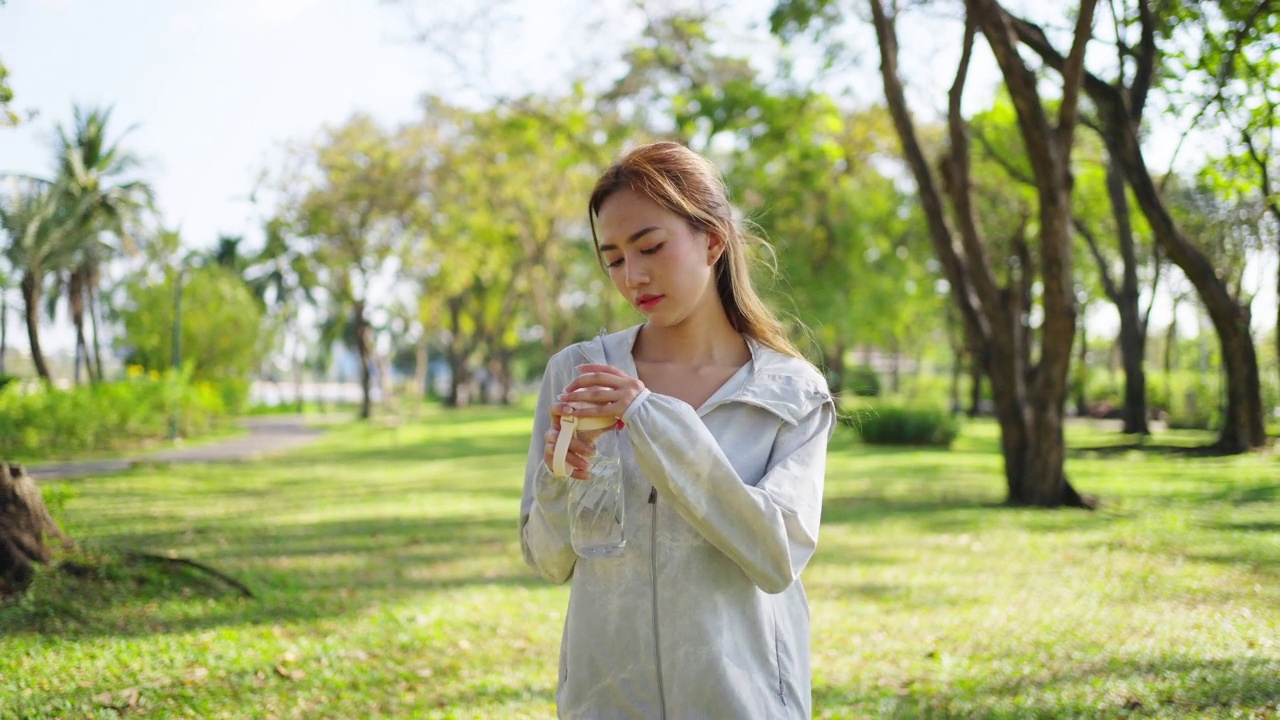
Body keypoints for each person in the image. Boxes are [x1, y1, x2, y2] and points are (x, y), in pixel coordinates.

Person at [519, 141, 835, 719]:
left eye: (651, 247)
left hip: (744, 702)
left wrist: (649, 418)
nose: (632, 275)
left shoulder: (790, 391)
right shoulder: (578, 374)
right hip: (605, 702)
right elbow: (548, 559)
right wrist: (561, 475)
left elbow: (776, 555)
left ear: (713, 240)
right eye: (613, 259)